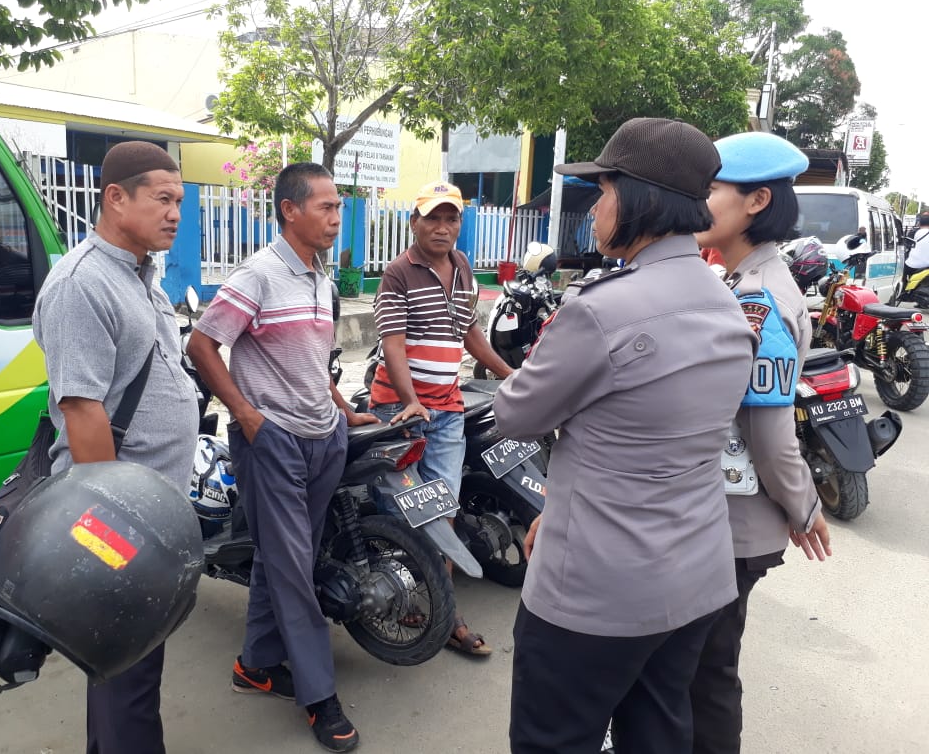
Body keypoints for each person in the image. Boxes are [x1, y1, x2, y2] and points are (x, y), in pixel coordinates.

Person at [493, 118, 758, 754]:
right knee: (659, 731)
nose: (595, 207)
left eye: (603, 190)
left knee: (554, 740)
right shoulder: (729, 302)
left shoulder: (601, 308)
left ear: (638, 198)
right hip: (695, 573)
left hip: (596, 589)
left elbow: (514, 415)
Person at [186, 162, 376, 753]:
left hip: (324, 437)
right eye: (326, 207)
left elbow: (312, 365)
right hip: (273, 443)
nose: (336, 219)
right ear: (290, 210)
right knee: (294, 569)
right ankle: (319, 697)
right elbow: (202, 342)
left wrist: (344, 411)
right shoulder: (259, 276)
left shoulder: (322, 277)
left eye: (339, 208)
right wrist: (246, 416)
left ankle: (254, 666)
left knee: (281, 557)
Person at [31, 140, 199, 754]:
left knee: (133, 662)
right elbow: (82, 411)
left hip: (151, 508)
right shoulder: (83, 284)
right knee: (124, 667)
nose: (175, 213)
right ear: (115, 198)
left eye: (179, 200)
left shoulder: (141, 276)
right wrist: (116, 533)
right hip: (116, 519)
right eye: (162, 199)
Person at [690, 131, 832, 754]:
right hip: (722, 519)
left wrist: (803, 508)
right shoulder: (739, 281)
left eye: (712, 189)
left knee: (708, 673)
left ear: (755, 202)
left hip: (733, 524)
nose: (700, 203)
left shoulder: (759, 299)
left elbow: (770, 434)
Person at [366, 180, 514, 657]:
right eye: (433, 218)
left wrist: (512, 374)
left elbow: (469, 333)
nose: (443, 227)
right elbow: (392, 342)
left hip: (448, 411)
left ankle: (444, 612)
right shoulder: (397, 273)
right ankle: (407, 600)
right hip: (398, 409)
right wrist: (410, 399)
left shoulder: (464, 268)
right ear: (414, 222)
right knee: (407, 514)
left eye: (451, 219)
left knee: (443, 511)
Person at [902, 211, 929, 282]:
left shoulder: (913, 232)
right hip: (925, 268)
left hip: (909, 265)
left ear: (919, 223)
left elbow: (906, 246)